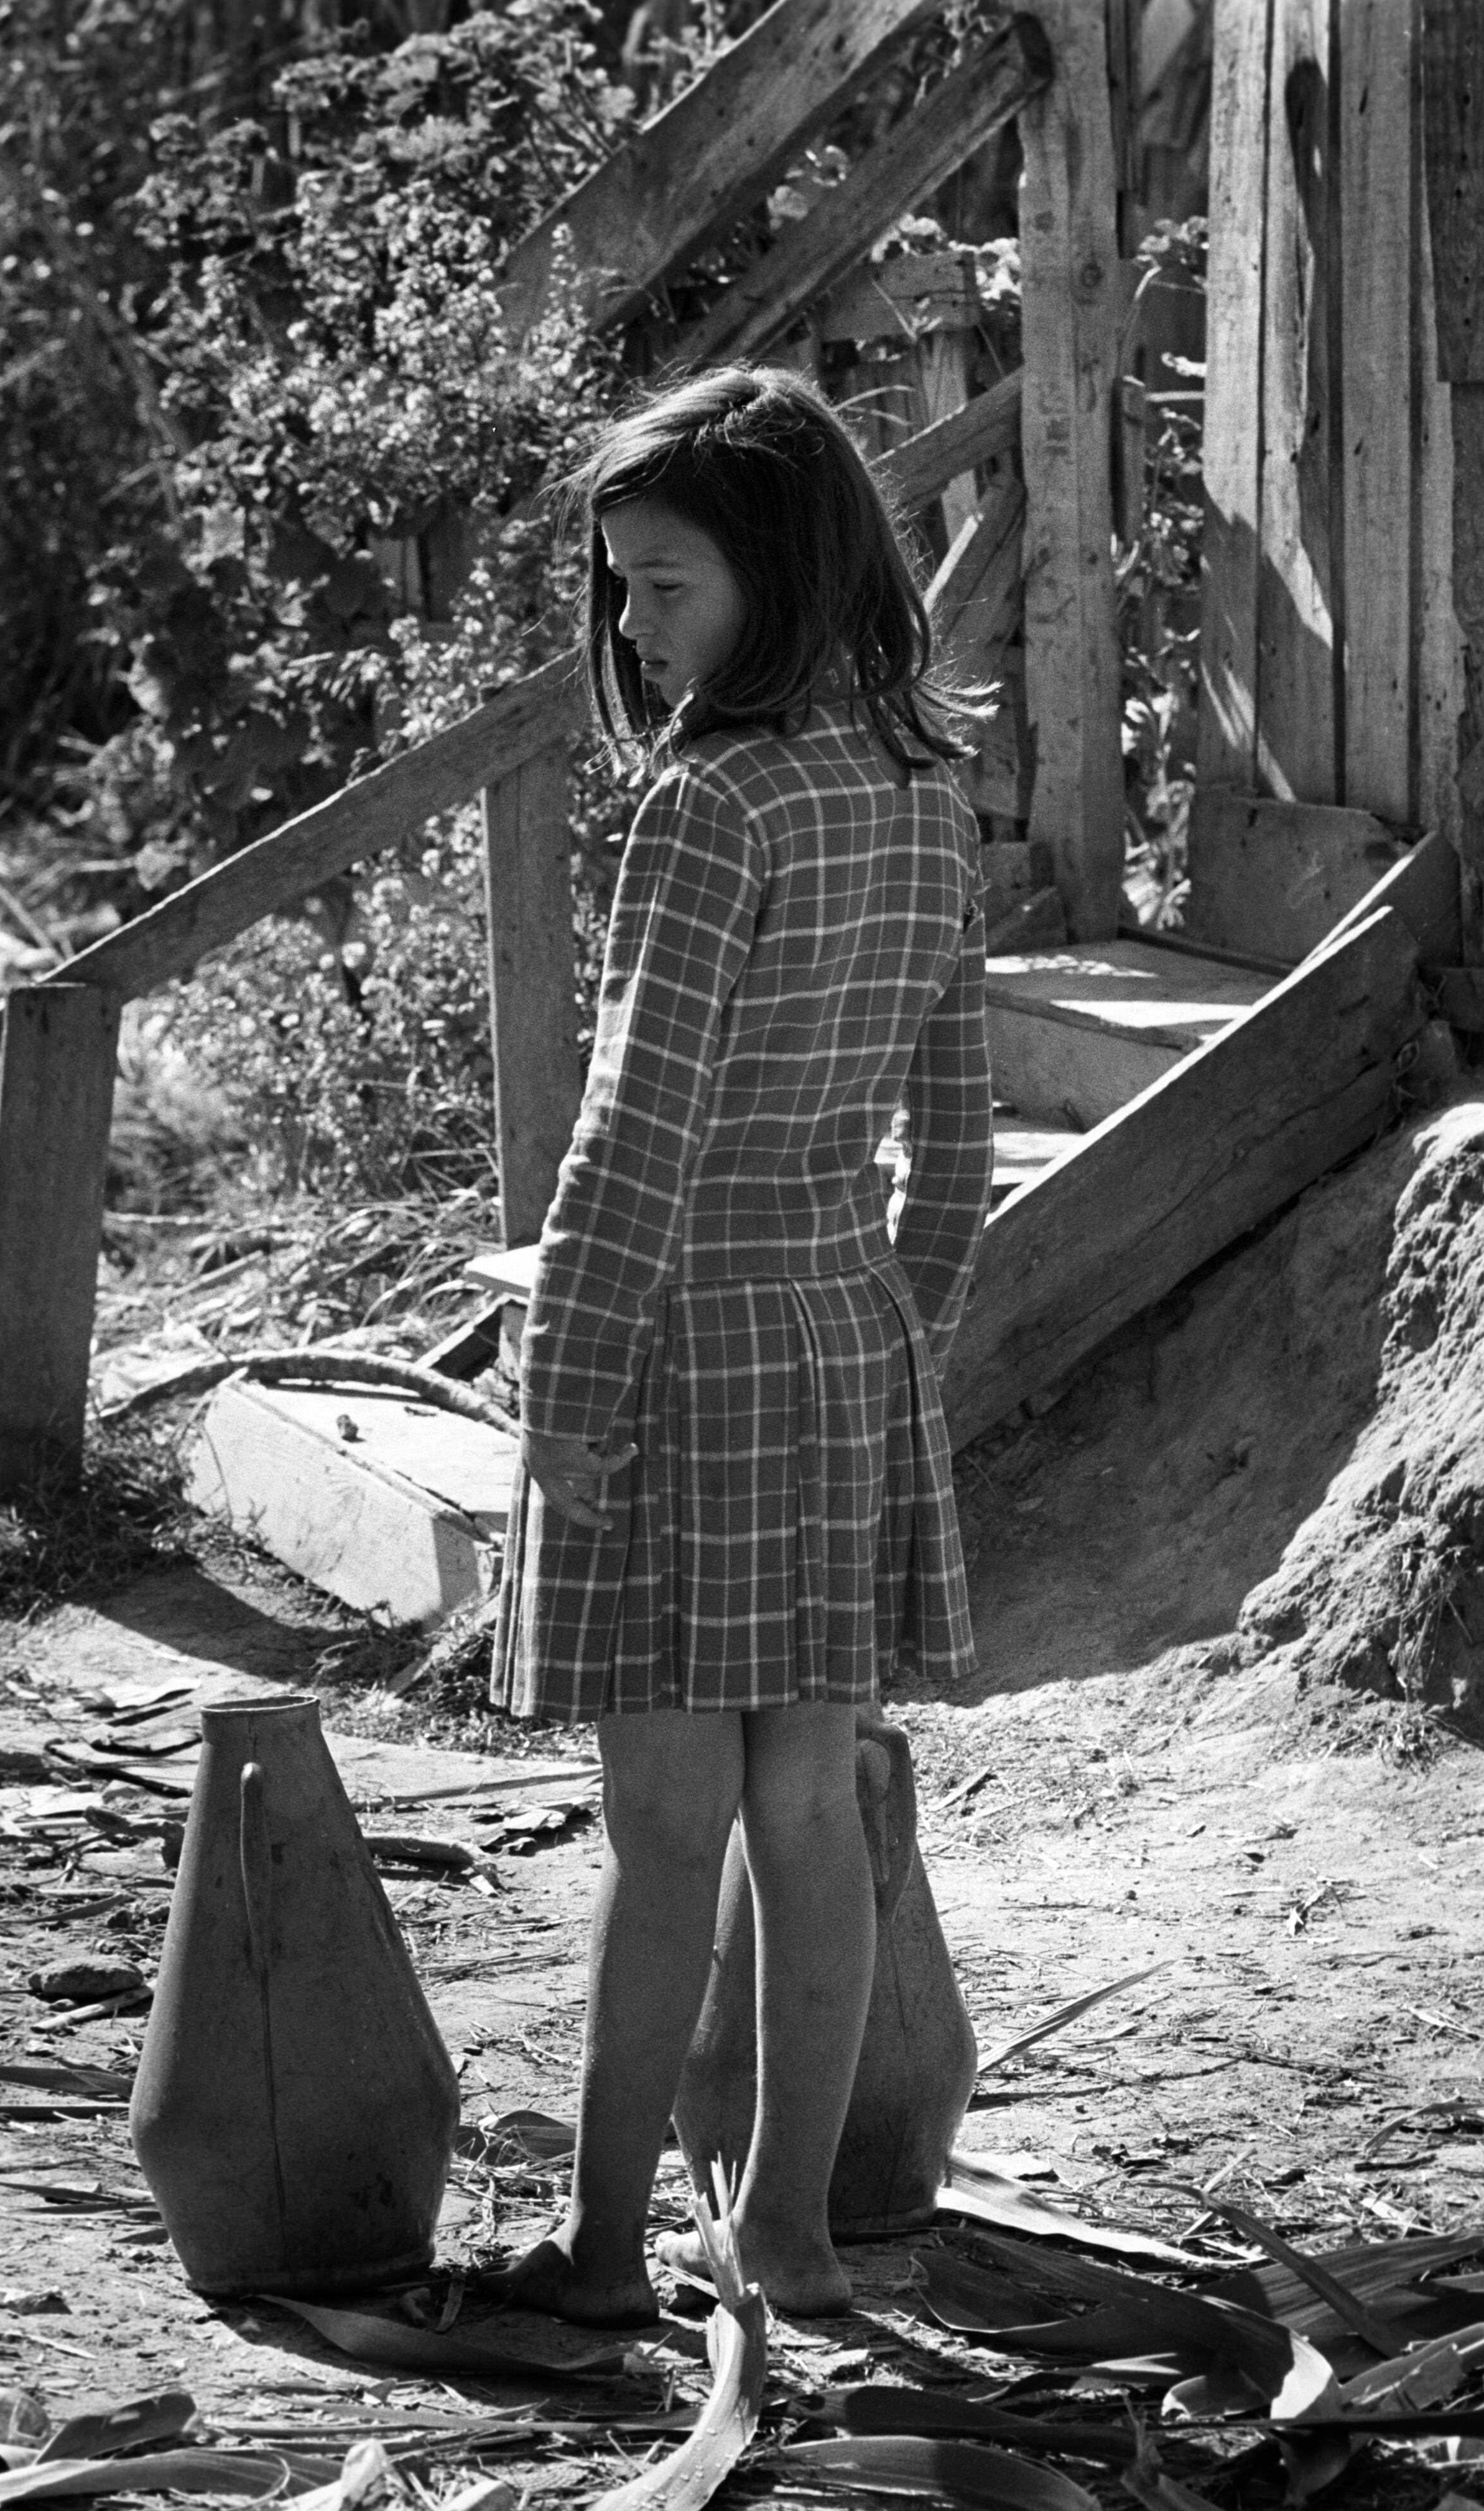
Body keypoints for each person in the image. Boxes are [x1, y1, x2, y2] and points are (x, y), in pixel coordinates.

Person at [484, 366, 995, 2325]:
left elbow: (630, 1130)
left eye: (665, 586)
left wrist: (565, 1392)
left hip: (680, 1342)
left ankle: (604, 2253)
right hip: (837, 1340)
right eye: (618, 588)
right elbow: (950, 1146)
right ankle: (781, 2232)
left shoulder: (711, 806)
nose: (630, 626)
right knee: (811, 1816)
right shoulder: (921, 796)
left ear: (776, 576)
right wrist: (896, 1338)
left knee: (662, 1837)